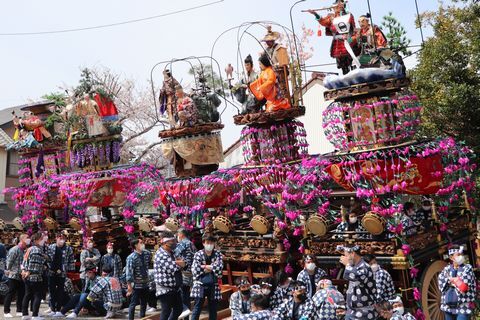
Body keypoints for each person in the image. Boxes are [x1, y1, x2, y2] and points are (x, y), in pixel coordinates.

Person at [307, 0, 359, 74]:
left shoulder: (348, 15)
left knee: (352, 61)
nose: (337, 7)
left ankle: (355, 78)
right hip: (338, 43)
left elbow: (352, 27)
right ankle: (346, 78)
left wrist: (349, 36)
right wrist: (315, 14)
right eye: (336, 6)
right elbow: (323, 21)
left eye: (339, 5)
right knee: (343, 64)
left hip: (348, 40)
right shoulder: (331, 17)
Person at [339, 245, 378, 320]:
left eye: (346, 255)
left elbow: (358, 277)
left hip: (364, 312)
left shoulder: (364, 266)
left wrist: (347, 265)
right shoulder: (355, 267)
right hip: (353, 312)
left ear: (352, 253)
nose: (344, 258)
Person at [438, 245, 476, 320]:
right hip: (448, 307)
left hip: (463, 306)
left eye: (461, 254)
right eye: (458, 255)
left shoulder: (467, 268)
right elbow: (441, 283)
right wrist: (455, 280)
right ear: (451, 258)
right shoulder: (446, 269)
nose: (461, 256)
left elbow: (464, 286)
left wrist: (454, 280)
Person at [190, 234, 224, 320]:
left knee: (213, 308)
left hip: (214, 284)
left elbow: (219, 267)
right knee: (197, 307)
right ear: (203, 243)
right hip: (200, 284)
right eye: (208, 242)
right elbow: (195, 269)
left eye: (211, 243)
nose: (210, 245)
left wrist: (204, 266)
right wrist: (210, 267)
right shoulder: (198, 254)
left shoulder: (217, 254)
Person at [154, 231, 184, 320]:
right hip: (165, 289)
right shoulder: (160, 254)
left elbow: (183, 262)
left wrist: (180, 263)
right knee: (166, 311)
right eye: (172, 241)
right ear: (165, 242)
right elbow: (172, 267)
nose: (174, 243)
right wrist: (179, 264)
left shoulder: (172, 252)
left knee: (179, 309)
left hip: (175, 288)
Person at [46, 232, 75, 316]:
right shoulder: (51, 247)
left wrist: (68, 270)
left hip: (62, 273)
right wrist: (49, 268)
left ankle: (58, 309)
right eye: (60, 238)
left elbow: (71, 260)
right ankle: (52, 308)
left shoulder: (68, 248)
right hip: (51, 272)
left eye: (63, 239)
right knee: (51, 291)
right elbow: (47, 260)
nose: (62, 240)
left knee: (60, 291)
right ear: (56, 238)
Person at [21, 232, 47, 319]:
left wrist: (24, 271)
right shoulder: (36, 250)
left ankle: (25, 314)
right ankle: (35, 315)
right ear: (36, 240)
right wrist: (29, 271)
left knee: (27, 294)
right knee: (37, 295)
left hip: (27, 275)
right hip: (34, 276)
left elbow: (24, 262)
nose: (43, 240)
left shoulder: (29, 249)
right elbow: (33, 264)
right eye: (41, 239)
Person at [4, 234, 29, 318]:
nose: (29, 240)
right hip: (13, 275)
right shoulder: (14, 250)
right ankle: (6, 311)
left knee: (21, 293)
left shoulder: (25, 250)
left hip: (22, 275)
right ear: (22, 240)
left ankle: (19, 310)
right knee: (10, 293)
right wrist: (9, 271)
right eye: (27, 238)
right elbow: (9, 262)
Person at [126, 238, 152, 320]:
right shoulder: (131, 257)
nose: (142, 244)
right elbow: (129, 272)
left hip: (146, 284)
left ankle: (142, 318)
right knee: (133, 304)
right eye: (140, 243)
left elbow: (150, 259)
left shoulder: (146, 254)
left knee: (144, 303)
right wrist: (129, 286)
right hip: (136, 285)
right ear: (135, 245)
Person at [174, 228, 197, 319]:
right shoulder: (191, 244)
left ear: (182, 235)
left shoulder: (183, 243)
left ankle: (184, 315)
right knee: (186, 294)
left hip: (184, 272)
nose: (177, 236)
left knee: (182, 294)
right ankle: (186, 317)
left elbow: (175, 253)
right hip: (191, 272)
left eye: (178, 234)